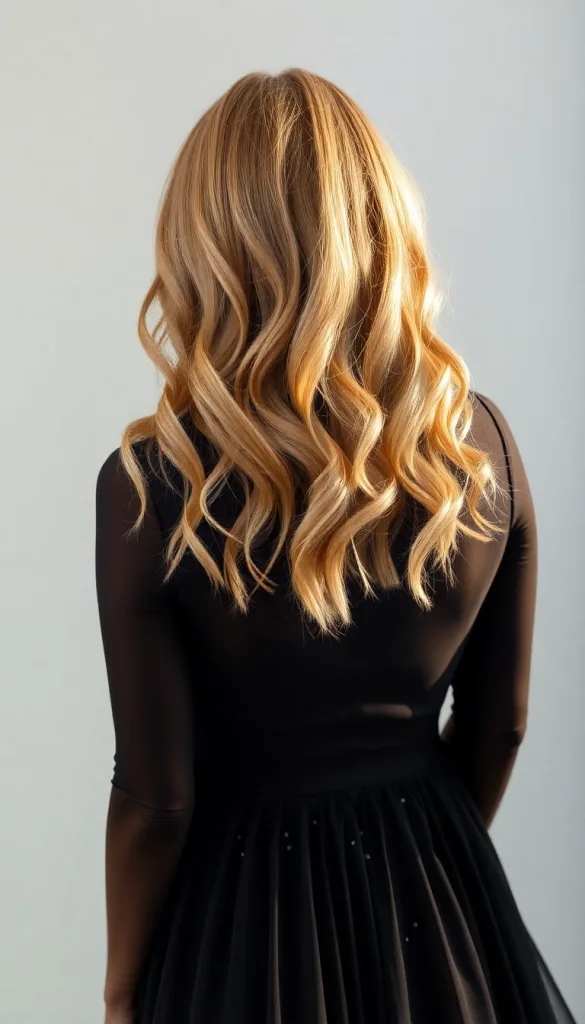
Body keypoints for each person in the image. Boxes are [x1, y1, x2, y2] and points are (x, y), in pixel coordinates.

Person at [94, 68, 576, 1023]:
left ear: (206, 248)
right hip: (440, 911)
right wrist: (412, 860)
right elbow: (502, 724)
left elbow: (158, 799)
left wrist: (120, 990)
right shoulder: (480, 446)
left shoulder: (153, 487)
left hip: (234, 936)